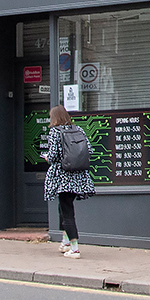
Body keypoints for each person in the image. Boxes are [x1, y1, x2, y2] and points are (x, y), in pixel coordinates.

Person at [44, 106, 95, 258]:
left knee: (67, 213)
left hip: (62, 177)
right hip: (78, 177)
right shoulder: (78, 129)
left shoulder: (55, 132)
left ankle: (75, 248)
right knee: (64, 207)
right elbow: (89, 150)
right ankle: (66, 242)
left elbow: (53, 156)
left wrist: (46, 157)